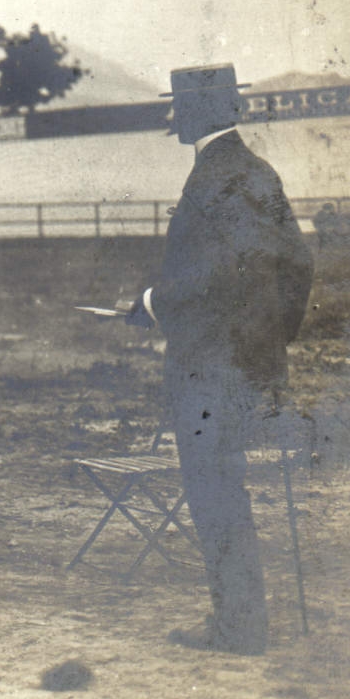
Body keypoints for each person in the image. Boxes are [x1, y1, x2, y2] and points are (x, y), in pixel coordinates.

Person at [124, 63, 314, 655]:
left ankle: (238, 628)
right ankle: (240, 621)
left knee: (214, 491)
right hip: (251, 368)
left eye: (177, 106)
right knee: (225, 487)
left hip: (209, 371)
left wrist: (153, 302)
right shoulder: (258, 172)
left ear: (199, 113)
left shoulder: (213, 178)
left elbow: (214, 276)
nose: (170, 117)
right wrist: (270, 342)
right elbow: (298, 267)